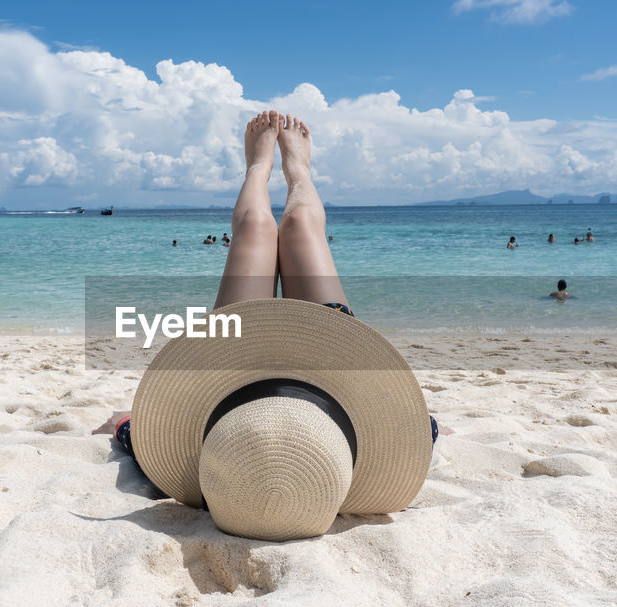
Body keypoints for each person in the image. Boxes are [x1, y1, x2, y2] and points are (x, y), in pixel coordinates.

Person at [92, 111, 439, 541]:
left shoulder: (220, 475)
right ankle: (297, 171)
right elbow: (133, 431)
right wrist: (124, 425)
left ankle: (260, 167)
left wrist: (123, 426)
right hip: (262, 370)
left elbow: (423, 429)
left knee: (266, 227)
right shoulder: (210, 475)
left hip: (284, 375)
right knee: (292, 226)